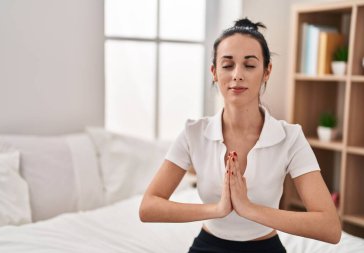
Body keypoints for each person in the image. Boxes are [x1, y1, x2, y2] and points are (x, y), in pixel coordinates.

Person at [139, 18, 341, 252]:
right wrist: (217, 209)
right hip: (208, 245)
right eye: (227, 65)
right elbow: (148, 207)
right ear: (214, 72)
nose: (237, 74)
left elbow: (330, 227)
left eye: (249, 65)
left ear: (267, 71)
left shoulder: (290, 137)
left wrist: (248, 208)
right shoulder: (193, 133)